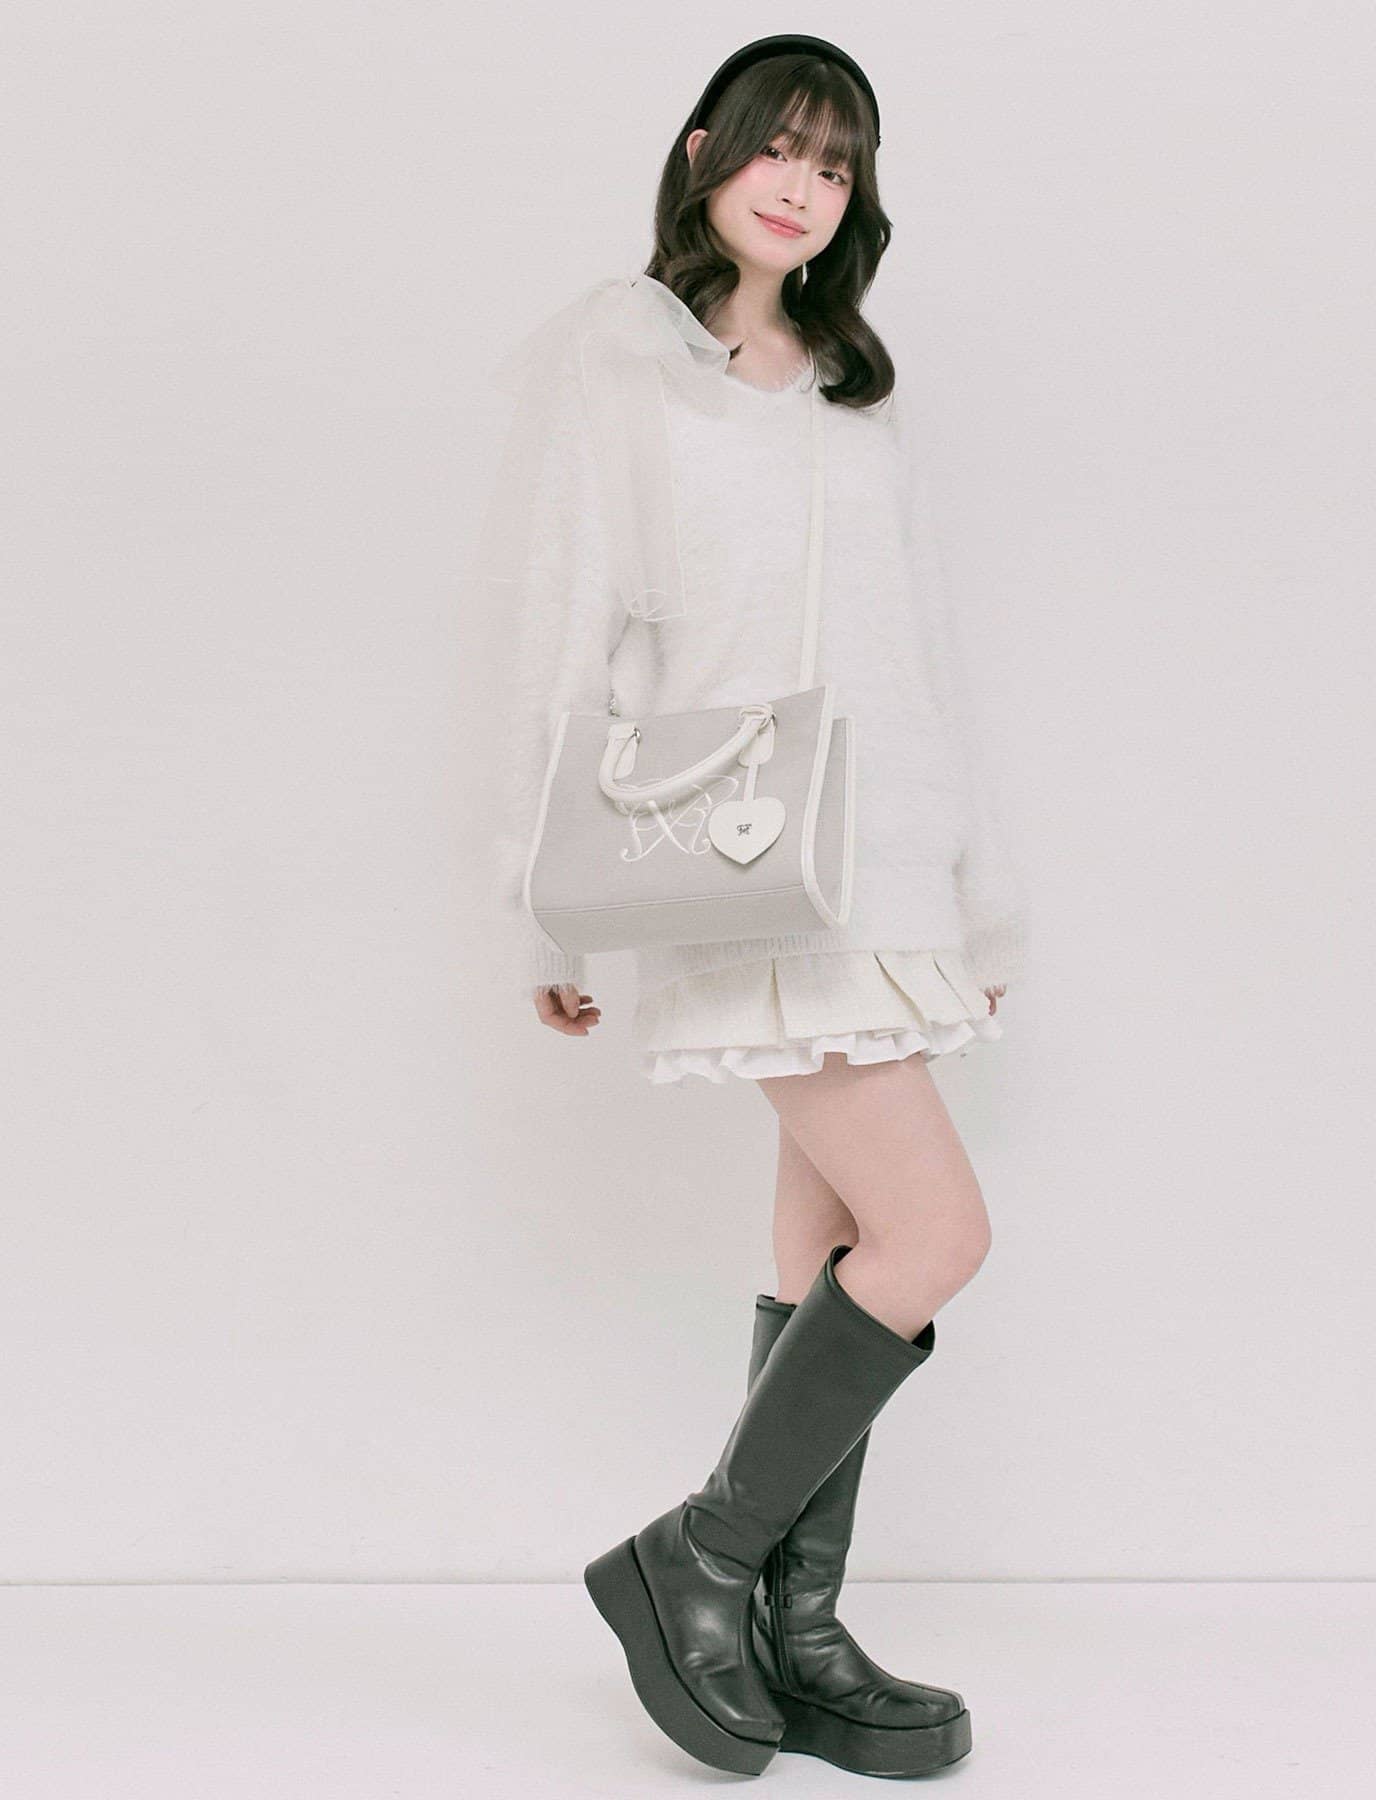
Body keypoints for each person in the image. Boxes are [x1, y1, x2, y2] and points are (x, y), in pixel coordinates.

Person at [472, 35, 1031, 1779]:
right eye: (779, 147)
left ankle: (798, 1628)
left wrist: (976, 902)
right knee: (939, 1237)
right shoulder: (626, 360)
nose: (803, 185)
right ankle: (696, 1562)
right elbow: (564, 635)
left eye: (838, 164)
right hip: (741, 856)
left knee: (832, 1253)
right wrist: (549, 905)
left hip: (885, 870)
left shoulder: (856, 387)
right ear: (707, 150)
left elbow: (925, 649)